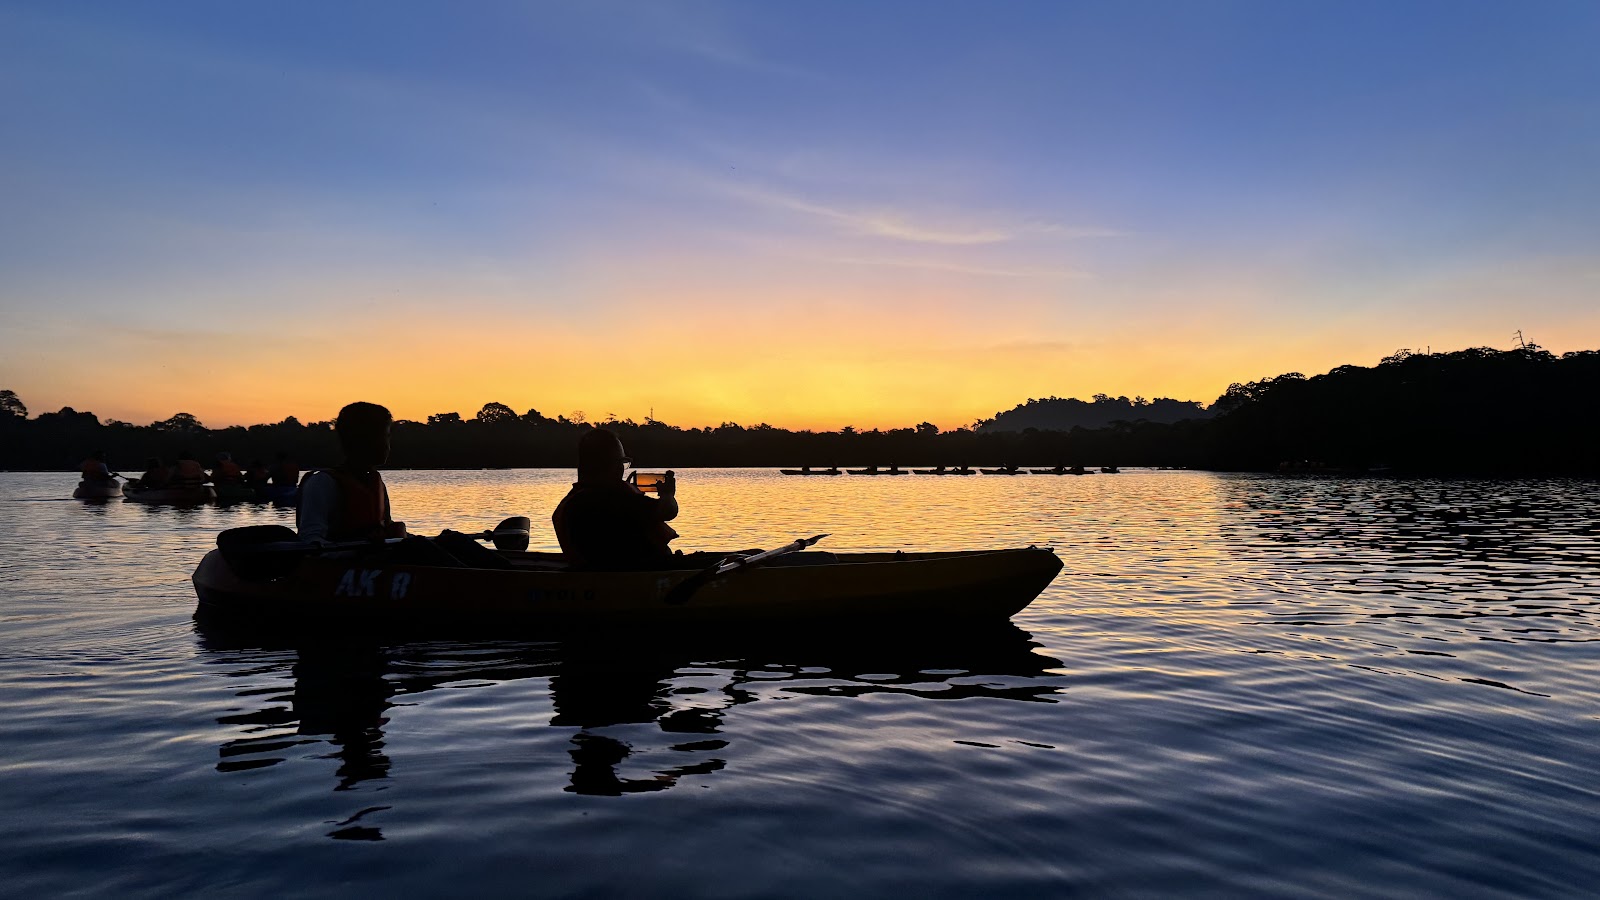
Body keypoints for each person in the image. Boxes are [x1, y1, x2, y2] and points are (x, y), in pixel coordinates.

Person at [552, 428, 679, 570]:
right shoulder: (618, 500)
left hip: (593, 574)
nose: (622, 469)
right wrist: (668, 494)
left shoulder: (572, 502)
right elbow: (668, 511)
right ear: (615, 465)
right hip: (637, 573)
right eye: (622, 463)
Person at [297, 402, 407, 543]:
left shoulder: (374, 481)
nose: (387, 445)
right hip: (343, 556)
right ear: (361, 440)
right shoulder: (322, 483)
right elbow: (310, 540)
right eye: (384, 436)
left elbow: (386, 528)